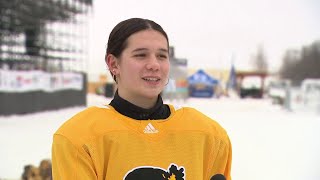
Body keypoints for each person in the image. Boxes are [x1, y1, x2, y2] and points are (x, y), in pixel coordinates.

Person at [52, 17, 232, 180]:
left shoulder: (209, 135)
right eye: (141, 55)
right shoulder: (78, 137)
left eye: (162, 56)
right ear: (113, 64)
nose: (154, 65)